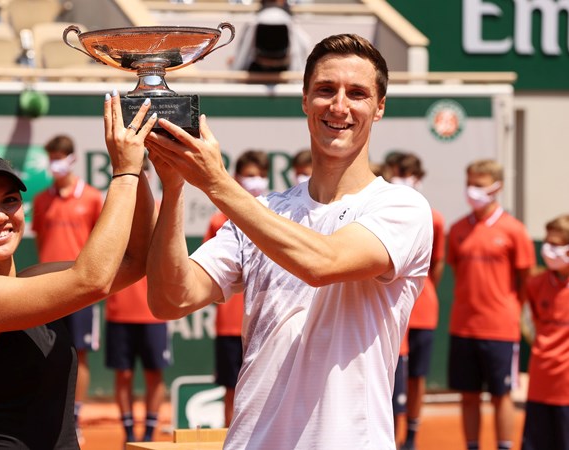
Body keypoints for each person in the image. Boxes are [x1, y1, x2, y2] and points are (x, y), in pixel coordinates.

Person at [144, 34, 433, 449]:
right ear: (304, 100)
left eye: (357, 93)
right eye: (325, 90)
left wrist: (218, 182)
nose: (339, 106)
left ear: (380, 106)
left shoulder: (402, 207)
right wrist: (173, 189)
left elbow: (323, 264)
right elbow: (172, 299)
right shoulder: (263, 210)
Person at [0, 94, 157, 449]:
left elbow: (134, 261)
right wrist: (124, 172)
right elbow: (93, 280)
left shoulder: (35, 279)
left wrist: (141, 164)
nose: (0, 216)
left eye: (9, 200)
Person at [446, 159, 536, 450]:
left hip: (500, 328)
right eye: (470, 183)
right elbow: (458, 272)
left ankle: (504, 446)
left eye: (480, 185)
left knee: (501, 395)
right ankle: (471, 445)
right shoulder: (458, 228)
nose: (473, 191)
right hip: (463, 326)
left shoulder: (515, 230)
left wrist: (508, 309)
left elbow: (524, 281)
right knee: (468, 395)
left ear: (498, 187)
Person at [31, 133, 104, 439]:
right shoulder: (40, 200)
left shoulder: (91, 198)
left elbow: (101, 243)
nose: (56, 163)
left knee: (80, 354)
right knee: (43, 351)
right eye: (52, 158)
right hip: (46, 288)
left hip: (80, 289)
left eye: (60, 157)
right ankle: (48, 415)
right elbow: (41, 240)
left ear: (72, 159)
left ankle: (74, 419)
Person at [104, 159, 171, 444]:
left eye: (142, 172)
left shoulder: (163, 210)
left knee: (155, 374)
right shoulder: (112, 214)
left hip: (153, 310)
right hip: (119, 310)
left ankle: (150, 432)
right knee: (124, 375)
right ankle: (129, 433)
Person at [204, 149, 270, 427]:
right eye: (250, 176)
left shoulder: (278, 220)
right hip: (230, 324)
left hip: (266, 322)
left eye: (261, 176)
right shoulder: (219, 222)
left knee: (267, 391)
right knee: (232, 390)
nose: (255, 182)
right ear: (237, 178)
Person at [389, 153, 446, 450]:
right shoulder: (382, 213)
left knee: (417, 376)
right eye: (396, 174)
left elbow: (436, 264)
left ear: (419, 179)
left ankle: (410, 437)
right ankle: (389, 434)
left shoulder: (434, 218)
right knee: (391, 372)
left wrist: (420, 292)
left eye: (407, 175)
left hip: (422, 311)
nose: (402, 180)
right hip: (390, 309)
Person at [522, 214, 569, 450]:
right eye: (547, 243)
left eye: (557, 245)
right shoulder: (536, 284)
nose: (549, 250)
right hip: (540, 384)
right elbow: (535, 324)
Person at [229, 0, 311, 72]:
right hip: (284, 70)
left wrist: (235, 67)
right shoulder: (290, 22)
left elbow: (243, 52)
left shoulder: (254, 22)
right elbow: (303, 45)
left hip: (257, 71)